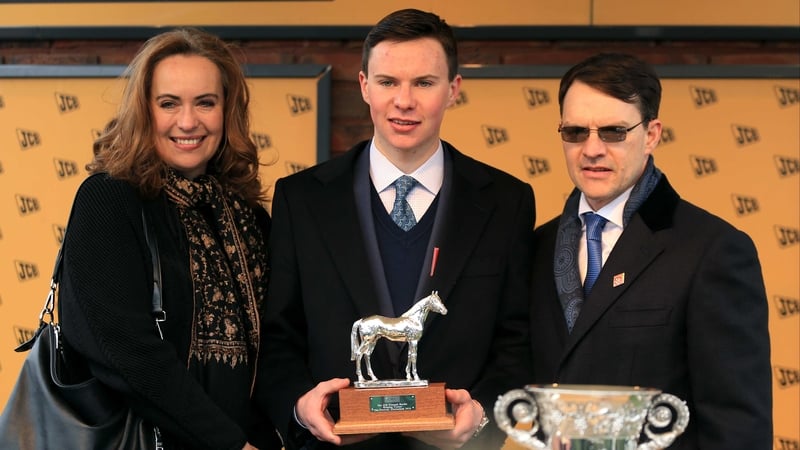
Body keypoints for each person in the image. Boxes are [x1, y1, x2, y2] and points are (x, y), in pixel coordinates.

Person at [257, 8, 535, 450]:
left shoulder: (507, 202)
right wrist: (298, 408)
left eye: (424, 83)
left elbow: (517, 343)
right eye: (388, 82)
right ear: (365, 86)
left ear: (453, 90)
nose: (403, 101)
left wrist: (482, 413)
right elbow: (278, 337)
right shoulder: (302, 199)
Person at [528, 52, 772, 449]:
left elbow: (738, 425)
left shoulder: (714, 250)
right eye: (575, 132)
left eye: (613, 132)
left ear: (653, 133)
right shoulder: (537, 247)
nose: (591, 149)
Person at [59, 28, 281, 450]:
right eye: (169, 104)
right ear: (144, 110)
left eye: (205, 103)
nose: (188, 121)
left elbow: (276, 345)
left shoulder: (248, 214)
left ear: (226, 110)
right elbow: (128, 353)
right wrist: (229, 444)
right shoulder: (109, 199)